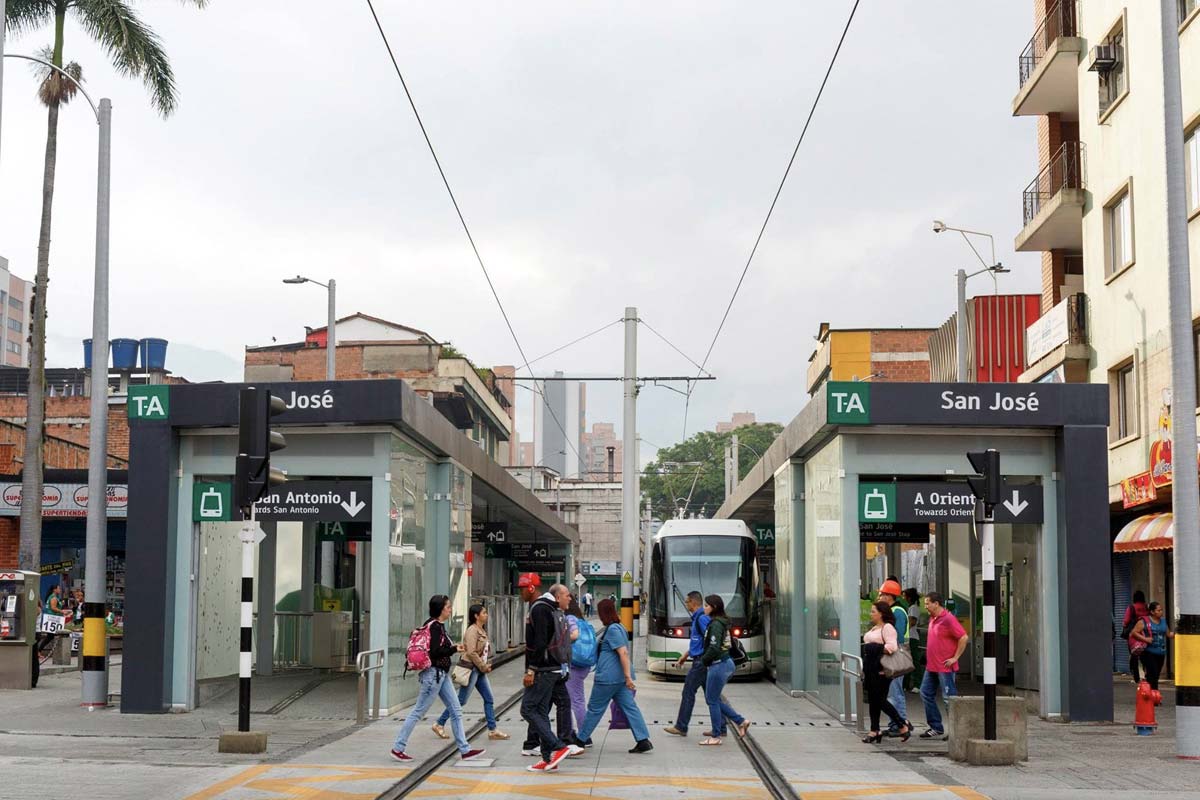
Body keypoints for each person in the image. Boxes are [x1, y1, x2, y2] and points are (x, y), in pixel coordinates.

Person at [390, 594, 487, 763]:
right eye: (448, 607)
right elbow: (434, 652)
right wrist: (453, 649)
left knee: (456, 710)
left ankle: (465, 750)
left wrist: (452, 648)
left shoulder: (437, 626)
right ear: (441, 609)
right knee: (418, 712)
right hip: (433, 675)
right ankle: (398, 748)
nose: (450, 610)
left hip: (441, 675)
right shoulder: (434, 627)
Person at [520, 575, 581, 773]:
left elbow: (540, 642)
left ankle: (557, 746)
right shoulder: (551, 609)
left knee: (528, 709)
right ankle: (547, 759)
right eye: (567, 596)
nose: (570, 599)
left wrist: (531, 669)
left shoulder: (540, 609)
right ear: (556, 596)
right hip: (554, 668)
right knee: (541, 710)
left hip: (544, 669)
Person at [574, 598, 652, 753]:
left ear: (604, 613)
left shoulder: (614, 630)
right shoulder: (618, 627)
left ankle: (580, 740)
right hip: (618, 679)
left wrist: (628, 677)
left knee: (595, 709)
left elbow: (623, 653)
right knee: (630, 708)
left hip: (608, 679)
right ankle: (643, 740)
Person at [432, 602, 509, 741]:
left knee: (489, 698)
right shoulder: (472, 631)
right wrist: (483, 667)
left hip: (478, 670)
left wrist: (484, 665)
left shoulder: (481, 629)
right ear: (476, 616)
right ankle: (439, 723)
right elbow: (472, 652)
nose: (486, 615)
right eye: (484, 612)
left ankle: (492, 730)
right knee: (461, 700)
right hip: (472, 669)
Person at [697, 594, 751, 746]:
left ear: (713, 607)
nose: (704, 608)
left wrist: (704, 661)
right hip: (725, 663)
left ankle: (716, 735)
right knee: (713, 699)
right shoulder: (722, 622)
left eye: (706, 606)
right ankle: (740, 721)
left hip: (718, 664)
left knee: (712, 700)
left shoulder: (715, 624)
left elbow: (714, 647)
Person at [919, 591, 968, 740]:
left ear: (936, 603)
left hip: (945, 666)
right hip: (932, 666)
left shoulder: (948, 619)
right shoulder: (933, 618)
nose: (926, 606)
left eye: (928, 603)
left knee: (949, 698)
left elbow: (963, 637)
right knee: (925, 693)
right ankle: (935, 726)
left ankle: (956, 730)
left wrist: (955, 658)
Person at [664, 591, 713, 737]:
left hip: (701, 662)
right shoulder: (698, 617)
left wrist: (705, 658)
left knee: (688, 692)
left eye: (687, 602)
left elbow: (710, 639)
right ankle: (722, 726)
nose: (686, 605)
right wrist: (685, 656)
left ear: (693, 602)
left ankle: (681, 726)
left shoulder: (701, 618)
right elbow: (698, 642)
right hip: (700, 659)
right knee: (711, 696)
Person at [861, 601, 912, 743]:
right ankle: (874, 730)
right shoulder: (874, 628)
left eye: (873, 611)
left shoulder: (888, 628)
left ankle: (902, 724)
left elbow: (892, 647)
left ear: (881, 613)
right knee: (873, 701)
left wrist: (872, 648)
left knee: (880, 700)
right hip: (870, 669)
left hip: (881, 669)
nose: (871, 614)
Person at [876, 579, 908, 736]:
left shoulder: (898, 613)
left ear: (889, 596)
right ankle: (895, 723)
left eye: (882, 594)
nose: (880, 597)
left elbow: (898, 636)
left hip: (896, 654)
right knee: (891, 690)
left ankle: (900, 723)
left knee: (895, 691)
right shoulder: (893, 612)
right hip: (893, 653)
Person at [1130, 601, 1174, 691]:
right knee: (1152, 673)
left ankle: (1149, 692)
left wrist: (1180, 634)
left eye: (1161, 610)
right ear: (1152, 612)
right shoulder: (1144, 621)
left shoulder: (1163, 621)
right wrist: (1145, 639)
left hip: (1161, 653)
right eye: (1158, 610)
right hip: (1148, 652)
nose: (1161, 612)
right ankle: (1154, 695)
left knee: (1156, 674)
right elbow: (1133, 633)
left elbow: (1168, 634)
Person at [564, 596, 591, 730]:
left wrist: (560, 640)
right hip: (583, 664)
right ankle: (574, 732)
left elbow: (574, 635)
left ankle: (583, 736)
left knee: (576, 700)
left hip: (574, 665)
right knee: (573, 699)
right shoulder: (581, 620)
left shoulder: (569, 618)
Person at [1121, 590, 1150, 684]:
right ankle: (1147, 675)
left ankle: (1136, 678)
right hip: (1145, 634)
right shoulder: (1146, 607)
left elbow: (1126, 621)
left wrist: (1125, 627)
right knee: (1145, 655)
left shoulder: (1131, 607)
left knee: (1134, 656)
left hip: (1133, 635)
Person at [902, 587, 923, 693]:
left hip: (912, 637)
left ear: (909, 597)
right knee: (908, 661)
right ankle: (906, 684)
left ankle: (917, 684)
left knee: (914, 661)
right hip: (909, 637)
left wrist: (902, 630)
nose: (903, 597)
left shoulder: (913, 608)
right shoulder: (911, 607)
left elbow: (912, 622)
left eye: (904, 595)